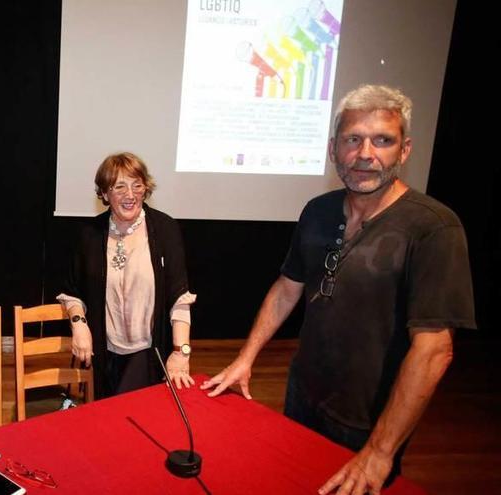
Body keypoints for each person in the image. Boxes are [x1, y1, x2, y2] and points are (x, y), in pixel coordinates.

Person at [201, 84, 475, 494]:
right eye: (353, 139)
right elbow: (287, 287)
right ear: (333, 150)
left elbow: (435, 350)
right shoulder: (318, 210)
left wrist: (380, 451)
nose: (366, 154)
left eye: (383, 140)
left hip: (370, 418)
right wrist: (246, 357)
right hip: (302, 395)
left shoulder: (434, 228)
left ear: (404, 151)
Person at [58, 152, 196, 399]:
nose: (130, 195)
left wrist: (180, 352)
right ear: (105, 194)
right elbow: (72, 293)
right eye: (119, 187)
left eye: (137, 185)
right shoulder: (89, 235)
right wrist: (79, 326)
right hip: (103, 353)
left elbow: (179, 298)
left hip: (148, 353)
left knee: (128, 413)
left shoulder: (165, 229)